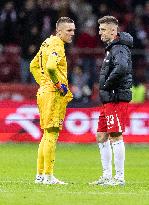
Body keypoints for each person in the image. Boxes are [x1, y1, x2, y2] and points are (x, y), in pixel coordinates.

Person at [30, 17, 75, 185]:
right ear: (60, 31)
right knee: (52, 134)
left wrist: (43, 83)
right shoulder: (57, 45)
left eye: (73, 30)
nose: (72, 33)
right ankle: (49, 176)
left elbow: (33, 65)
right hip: (53, 93)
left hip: (43, 92)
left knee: (46, 134)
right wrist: (56, 84)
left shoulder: (45, 43)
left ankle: (40, 175)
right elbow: (50, 66)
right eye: (69, 30)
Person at [90, 16, 133, 186]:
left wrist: (107, 84)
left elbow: (121, 67)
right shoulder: (112, 48)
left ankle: (119, 178)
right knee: (101, 135)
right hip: (108, 99)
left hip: (116, 97)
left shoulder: (119, 48)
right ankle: (107, 176)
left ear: (112, 30)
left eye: (102, 30)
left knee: (115, 135)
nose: (99, 32)